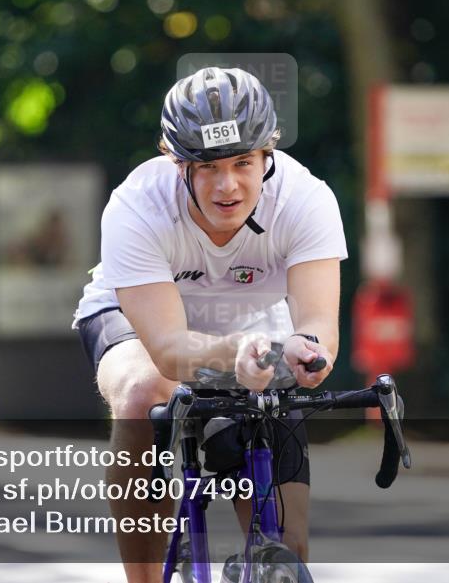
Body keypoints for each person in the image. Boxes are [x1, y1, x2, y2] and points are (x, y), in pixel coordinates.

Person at [73, 66, 347, 583]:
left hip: (255, 326)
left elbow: (317, 328)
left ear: (268, 153)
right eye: (208, 167)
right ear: (176, 163)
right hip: (143, 318)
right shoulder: (137, 206)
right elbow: (170, 351)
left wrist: (307, 356)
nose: (228, 185)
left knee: (291, 543)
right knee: (144, 392)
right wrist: (238, 350)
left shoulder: (306, 200)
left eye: (244, 162)